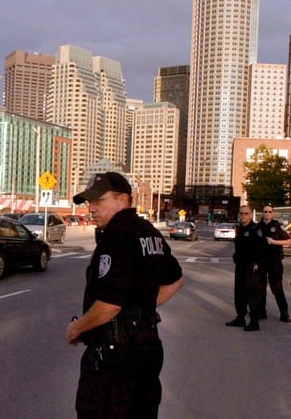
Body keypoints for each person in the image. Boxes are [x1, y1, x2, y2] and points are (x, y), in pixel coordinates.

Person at [66, 172, 184, 418]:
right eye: (89, 202)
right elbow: (175, 280)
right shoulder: (149, 232)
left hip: (114, 358)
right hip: (147, 346)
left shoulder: (116, 235)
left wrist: (78, 329)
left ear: (123, 199)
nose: (92, 208)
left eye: (99, 200)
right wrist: (141, 307)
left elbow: (110, 304)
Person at [225, 204, 265, 331]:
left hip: (251, 267)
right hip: (241, 266)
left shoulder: (255, 229)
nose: (243, 216)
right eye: (241, 213)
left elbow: (261, 249)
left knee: (252, 294)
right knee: (239, 293)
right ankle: (240, 318)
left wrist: (257, 264)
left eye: (246, 213)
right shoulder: (240, 228)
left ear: (251, 214)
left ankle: (254, 321)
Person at [256, 205, 291, 323]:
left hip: (274, 262)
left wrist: (273, 242)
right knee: (260, 288)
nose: (267, 214)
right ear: (262, 213)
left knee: (277, 288)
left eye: (269, 212)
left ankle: (284, 313)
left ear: (272, 213)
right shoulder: (257, 227)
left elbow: (288, 241)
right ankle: (261, 312)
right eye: (265, 211)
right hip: (261, 262)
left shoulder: (277, 226)